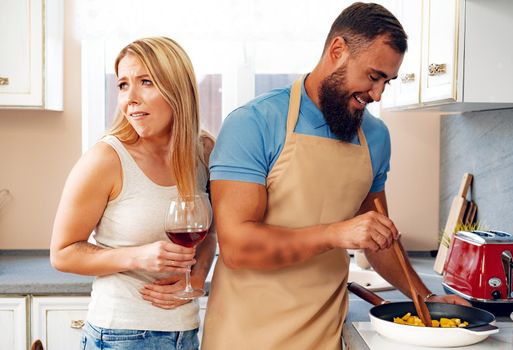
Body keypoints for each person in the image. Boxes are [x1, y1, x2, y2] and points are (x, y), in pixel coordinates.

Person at [200, 3, 469, 350]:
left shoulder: (375, 137)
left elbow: (380, 240)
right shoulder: (253, 123)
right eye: (373, 76)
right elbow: (237, 246)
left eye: (387, 81)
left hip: (323, 337)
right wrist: (336, 233)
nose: (377, 94)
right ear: (337, 50)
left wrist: (426, 297)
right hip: (245, 335)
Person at [50, 37, 216, 350]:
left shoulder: (203, 151)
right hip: (120, 335)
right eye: (123, 85)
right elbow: (62, 253)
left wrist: (195, 281)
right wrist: (138, 256)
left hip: (186, 332)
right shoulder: (105, 159)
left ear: (177, 88)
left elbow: (208, 235)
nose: (131, 99)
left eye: (146, 82)